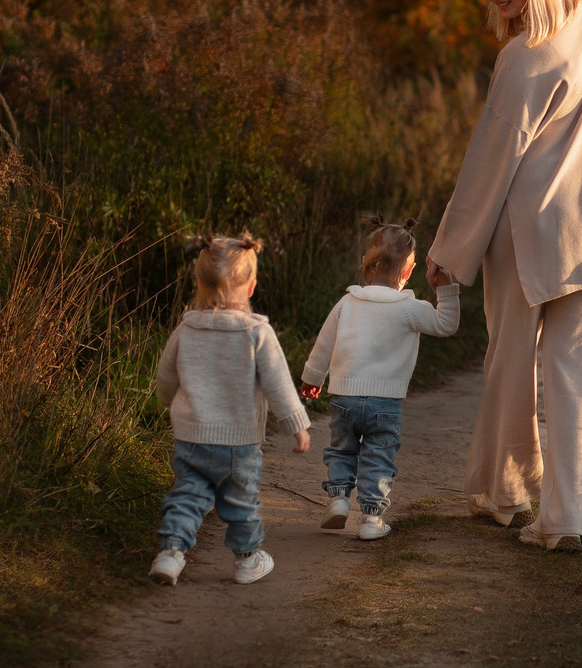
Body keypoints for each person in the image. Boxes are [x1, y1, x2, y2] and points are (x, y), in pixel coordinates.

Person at [426, 0, 582, 552]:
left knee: (513, 364)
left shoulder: (524, 55)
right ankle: (567, 520)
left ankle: (504, 494)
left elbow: (492, 157)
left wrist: (449, 248)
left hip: (527, 233)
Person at [149, 235, 310, 587]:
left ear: (199, 283)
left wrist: (165, 400)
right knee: (241, 502)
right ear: (251, 287)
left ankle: (171, 552)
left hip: (191, 438)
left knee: (188, 495)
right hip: (239, 444)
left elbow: (166, 373)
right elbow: (278, 383)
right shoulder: (257, 332)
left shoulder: (187, 327)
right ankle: (247, 560)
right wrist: (297, 426)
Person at [297, 222, 464, 540]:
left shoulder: (347, 303)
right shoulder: (410, 308)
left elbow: (323, 345)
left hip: (344, 397)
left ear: (365, 263)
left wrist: (312, 379)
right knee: (378, 456)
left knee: (342, 450)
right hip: (385, 403)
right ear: (409, 270)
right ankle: (371, 520)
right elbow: (447, 324)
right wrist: (445, 287)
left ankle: (338, 500)